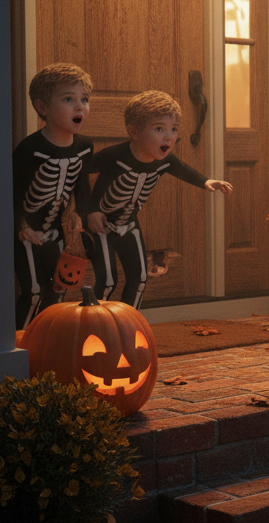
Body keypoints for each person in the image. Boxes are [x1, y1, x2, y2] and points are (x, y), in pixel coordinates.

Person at [84, 90, 233, 308]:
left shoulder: (164, 161)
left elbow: (183, 170)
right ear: (133, 132)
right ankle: (93, 325)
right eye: (159, 129)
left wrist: (206, 181)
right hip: (101, 226)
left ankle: (129, 324)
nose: (169, 136)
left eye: (173, 129)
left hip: (129, 224)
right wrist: (89, 210)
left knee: (139, 279)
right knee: (107, 281)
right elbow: (78, 173)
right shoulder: (114, 156)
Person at [13, 62, 95, 328]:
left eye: (84, 99)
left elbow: (81, 186)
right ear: (43, 108)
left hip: (56, 232)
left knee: (58, 290)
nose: (80, 106)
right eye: (69, 99)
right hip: (27, 234)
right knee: (34, 291)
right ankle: (18, 347)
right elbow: (12, 190)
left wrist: (81, 217)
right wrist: (21, 225)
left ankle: (50, 341)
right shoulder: (30, 149)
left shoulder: (84, 147)